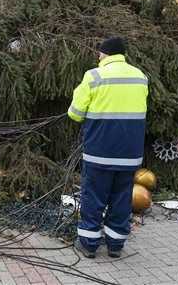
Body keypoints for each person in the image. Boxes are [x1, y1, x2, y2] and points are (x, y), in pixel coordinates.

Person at [67, 37, 148, 259]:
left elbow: (75, 114)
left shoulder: (93, 76)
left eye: (99, 53)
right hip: (130, 154)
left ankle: (89, 245)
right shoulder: (140, 77)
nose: (98, 56)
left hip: (100, 152)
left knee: (93, 197)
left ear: (105, 54)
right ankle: (115, 246)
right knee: (121, 199)